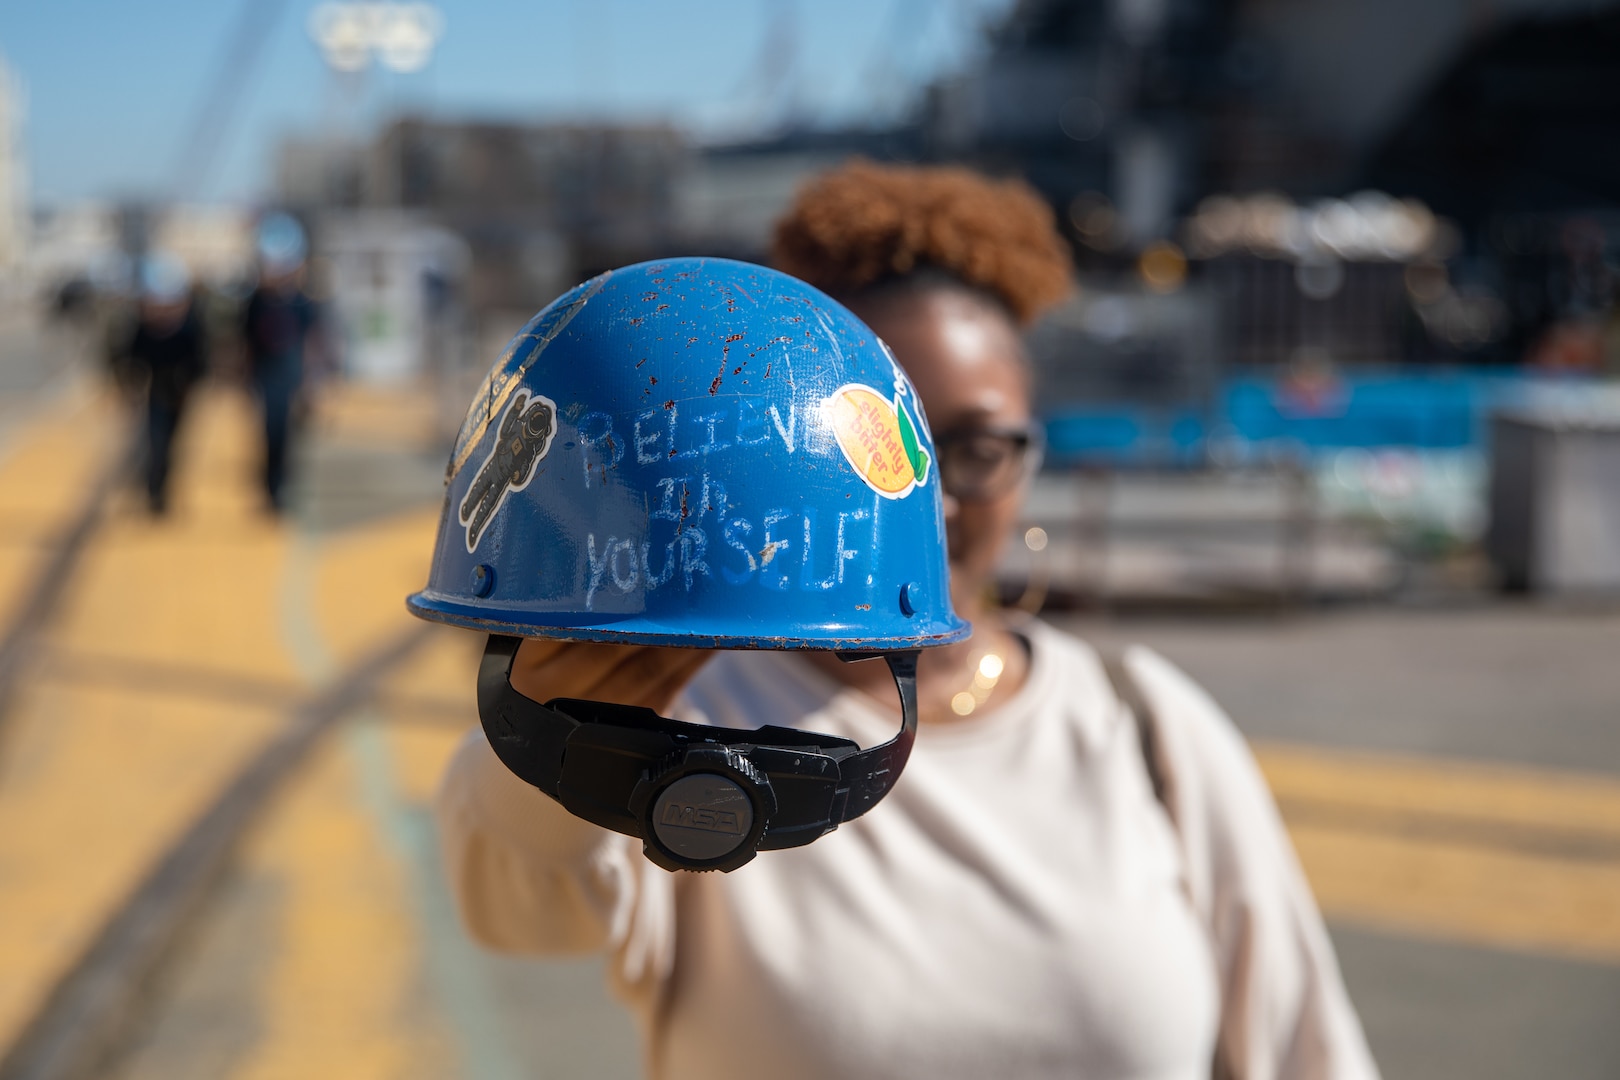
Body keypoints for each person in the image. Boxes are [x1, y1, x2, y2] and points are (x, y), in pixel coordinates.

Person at [437, 161, 1380, 1080]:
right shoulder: (690, 723)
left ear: (1030, 454)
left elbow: (1304, 1045)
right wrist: (558, 724)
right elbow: (517, 904)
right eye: (877, 444)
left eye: (969, 446)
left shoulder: (1148, 731)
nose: (922, 501)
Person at [115, 254, 206, 516]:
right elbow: (129, 359)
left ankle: (164, 491)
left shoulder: (189, 330)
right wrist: (128, 389)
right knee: (154, 443)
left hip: (180, 395)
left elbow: (200, 362)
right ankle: (154, 492)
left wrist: (189, 387)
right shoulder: (143, 330)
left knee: (173, 444)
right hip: (155, 393)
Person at [241, 213, 319, 513]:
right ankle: (269, 489)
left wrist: (312, 382)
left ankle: (282, 488)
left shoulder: (301, 302)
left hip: (292, 376)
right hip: (265, 376)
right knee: (268, 433)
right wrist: (243, 378)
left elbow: (312, 342)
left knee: (288, 436)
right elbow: (245, 342)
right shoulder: (256, 301)